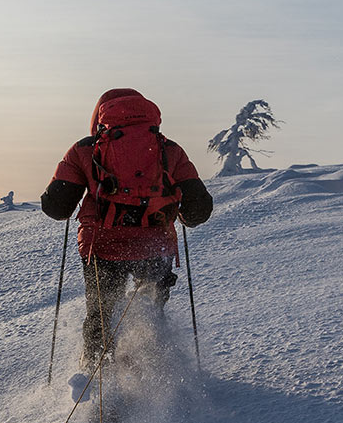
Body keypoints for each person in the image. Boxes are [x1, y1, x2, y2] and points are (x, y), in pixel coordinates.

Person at [40, 88, 213, 368]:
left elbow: (57, 209)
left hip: (102, 247)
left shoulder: (85, 149)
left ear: (100, 117)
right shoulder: (169, 150)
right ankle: (156, 373)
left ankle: (97, 379)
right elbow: (198, 211)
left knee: (101, 315)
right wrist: (180, 217)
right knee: (150, 309)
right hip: (155, 246)